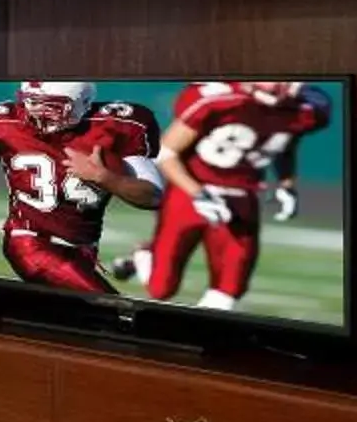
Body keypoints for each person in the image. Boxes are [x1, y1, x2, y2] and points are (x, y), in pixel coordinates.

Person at [112, 80, 333, 309]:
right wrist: (198, 194)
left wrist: (286, 184)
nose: (281, 85)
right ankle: (144, 256)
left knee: (230, 290)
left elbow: (284, 143)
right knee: (161, 289)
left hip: (242, 196)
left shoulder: (306, 109)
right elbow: (166, 152)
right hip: (190, 193)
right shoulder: (218, 100)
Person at [0, 81, 164, 294]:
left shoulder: (119, 127)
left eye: (51, 107)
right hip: (29, 242)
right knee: (112, 308)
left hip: (83, 248)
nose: (36, 113)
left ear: (80, 104)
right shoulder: (4, 123)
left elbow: (153, 196)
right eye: (31, 102)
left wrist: (103, 177)